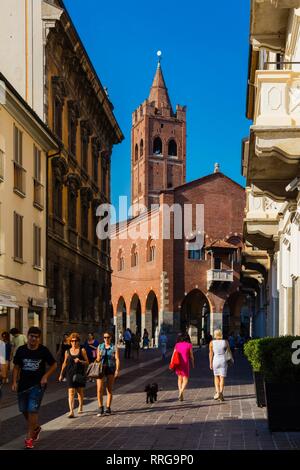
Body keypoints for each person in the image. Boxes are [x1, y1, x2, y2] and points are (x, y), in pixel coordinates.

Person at [12, 326, 57, 449]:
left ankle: (29, 438)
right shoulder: (21, 350)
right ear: (28, 336)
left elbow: (54, 364)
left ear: (39, 338)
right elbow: (16, 367)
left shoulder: (43, 350)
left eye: (36, 337)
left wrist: (45, 376)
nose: (34, 339)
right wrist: (14, 382)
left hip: (37, 386)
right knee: (23, 410)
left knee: (32, 410)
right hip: (22, 385)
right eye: (32, 336)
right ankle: (36, 428)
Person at [59, 332, 89, 418]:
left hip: (79, 373)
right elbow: (64, 363)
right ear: (70, 341)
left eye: (76, 341)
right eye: (72, 341)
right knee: (71, 392)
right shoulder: (67, 352)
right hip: (70, 373)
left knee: (79, 391)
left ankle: (80, 406)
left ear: (78, 341)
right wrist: (61, 374)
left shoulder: (82, 350)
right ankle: (71, 411)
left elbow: (87, 362)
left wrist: (80, 361)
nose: (74, 342)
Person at [96, 331, 120, 416]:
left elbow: (117, 359)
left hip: (110, 368)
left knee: (109, 389)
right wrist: (99, 355)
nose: (106, 339)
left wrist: (117, 370)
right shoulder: (100, 346)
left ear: (111, 338)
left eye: (108, 337)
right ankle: (100, 407)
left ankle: (108, 408)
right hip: (101, 369)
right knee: (99, 389)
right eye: (104, 337)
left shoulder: (114, 347)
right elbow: (97, 360)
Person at [172, 332, 194, 401]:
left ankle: (180, 392)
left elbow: (173, 354)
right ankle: (181, 391)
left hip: (178, 363)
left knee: (179, 378)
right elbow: (191, 356)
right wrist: (193, 363)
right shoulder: (189, 345)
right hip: (185, 363)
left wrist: (171, 362)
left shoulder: (177, 345)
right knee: (186, 378)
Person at [209, 329, 230, 402]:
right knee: (222, 377)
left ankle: (217, 392)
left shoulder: (212, 343)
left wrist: (210, 363)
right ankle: (221, 392)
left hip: (216, 359)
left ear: (215, 335)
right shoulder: (225, 342)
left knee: (216, 377)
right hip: (223, 360)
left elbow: (211, 354)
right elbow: (229, 351)